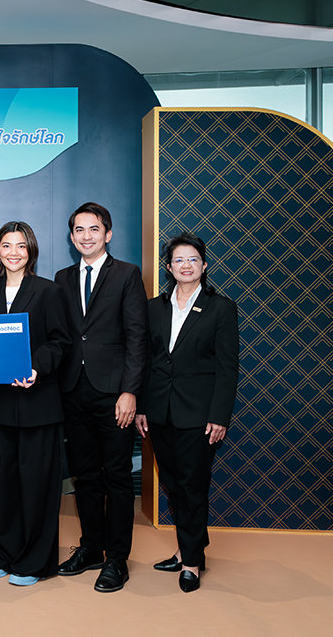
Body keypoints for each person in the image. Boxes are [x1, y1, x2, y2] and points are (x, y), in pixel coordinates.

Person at [135, 232, 239, 593]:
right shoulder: (155, 307)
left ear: (204, 265)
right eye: (179, 260)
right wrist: (142, 407)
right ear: (169, 267)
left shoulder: (220, 308)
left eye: (193, 259)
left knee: (192, 487)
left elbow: (228, 369)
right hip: (159, 412)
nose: (186, 265)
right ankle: (187, 549)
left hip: (199, 416)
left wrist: (219, 416)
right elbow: (147, 361)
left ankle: (192, 563)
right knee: (174, 486)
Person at [54, 201, 148, 593]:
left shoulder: (126, 274)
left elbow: (137, 337)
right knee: (86, 476)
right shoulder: (61, 278)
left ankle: (117, 558)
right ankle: (91, 547)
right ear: (72, 236)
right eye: (79, 229)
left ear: (108, 234)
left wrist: (130, 391)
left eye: (94, 229)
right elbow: (61, 336)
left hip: (114, 395)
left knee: (117, 477)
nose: (86, 236)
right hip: (72, 392)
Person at [0, 221, 70, 586]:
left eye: (21, 246)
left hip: (38, 402)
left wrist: (35, 368)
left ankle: (33, 562)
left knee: (37, 485)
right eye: (6, 246)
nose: (13, 253)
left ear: (31, 251)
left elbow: (60, 341)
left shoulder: (49, 292)